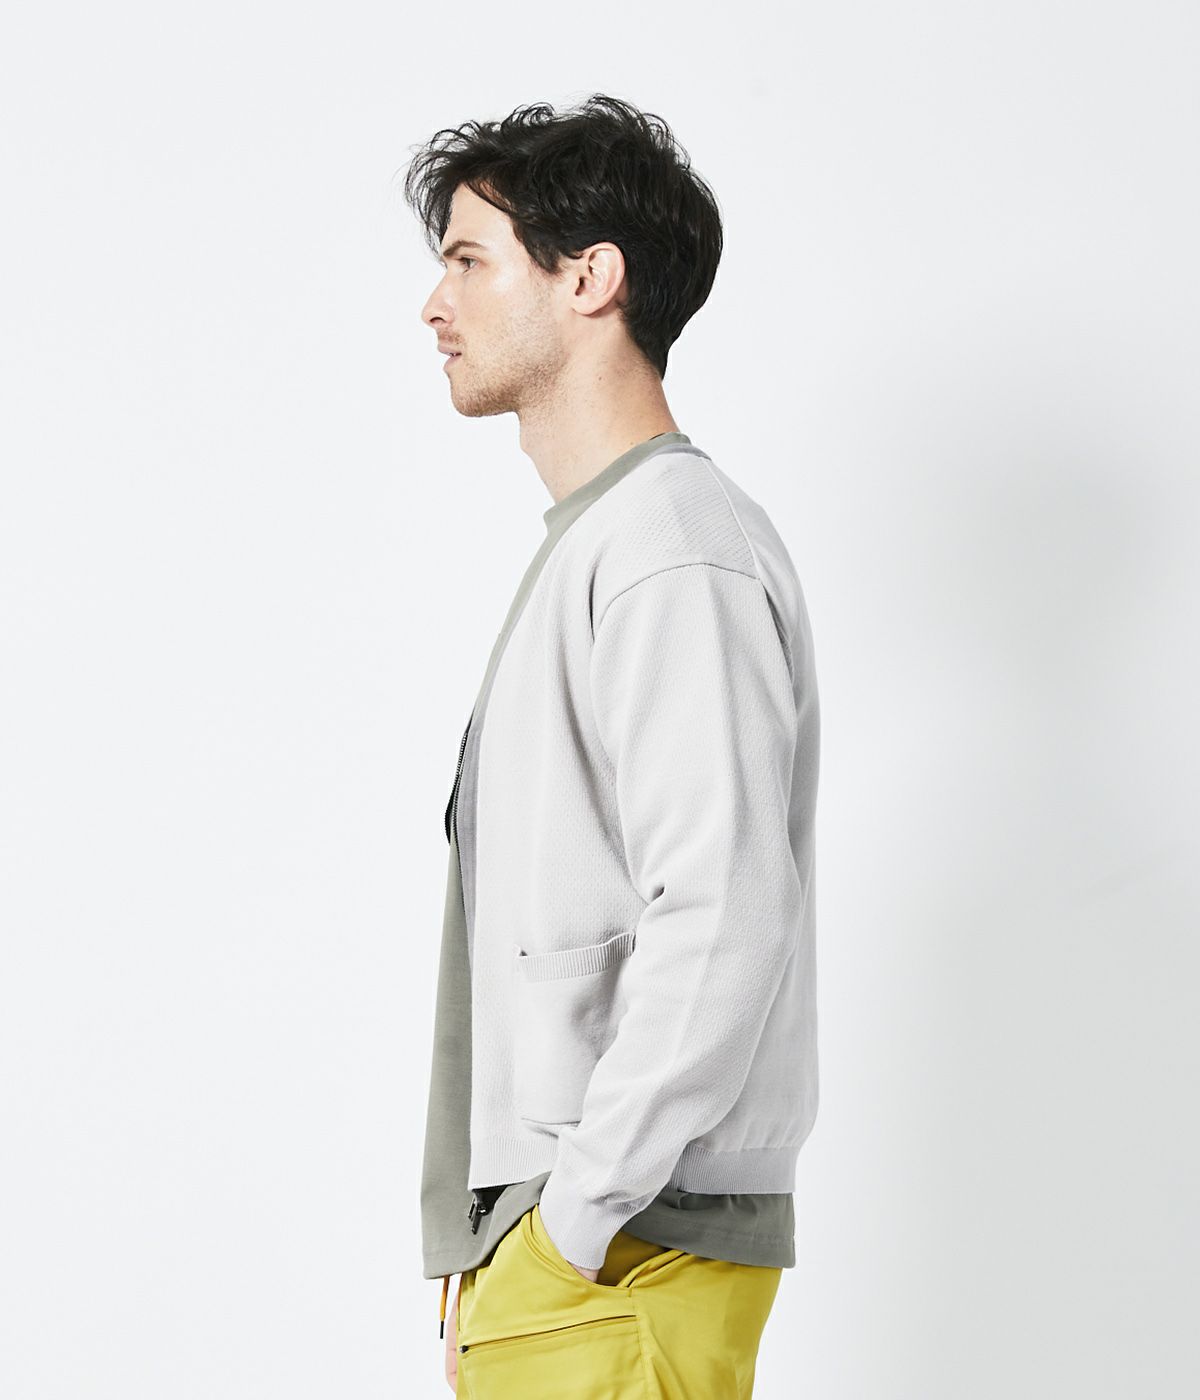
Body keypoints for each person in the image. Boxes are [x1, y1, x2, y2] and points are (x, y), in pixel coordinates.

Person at [401, 92, 821, 1397]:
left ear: (591, 278)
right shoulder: (613, 542)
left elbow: (725, 908)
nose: (434, 304)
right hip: (576, 1246)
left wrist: (573, 1220)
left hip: (622, 1249)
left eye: (469, 260)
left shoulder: (668, 550)